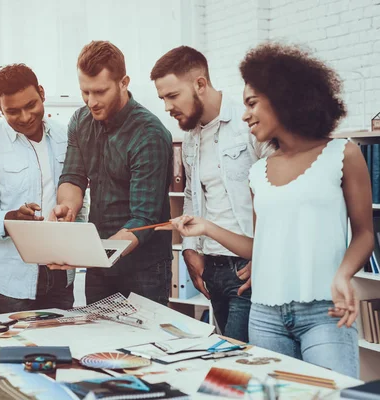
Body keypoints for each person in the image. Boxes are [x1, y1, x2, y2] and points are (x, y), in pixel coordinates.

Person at [159, 42, 372, 378]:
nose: (245, 114)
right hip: (265, 315)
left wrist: (344, 274)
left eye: (253, 103)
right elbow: (259, 245)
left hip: (323, 313)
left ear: (284, 98)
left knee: (331, 392)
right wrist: (204, 229)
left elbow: (364, 234)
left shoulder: (342, 154)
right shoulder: (259, 172)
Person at [150, 46, 273, 342]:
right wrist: (191, 249)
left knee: (232, 367)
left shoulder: (249, 123)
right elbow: (193, 196)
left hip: (248, 268)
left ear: (200, 84)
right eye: (162, 98)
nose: (167, 107)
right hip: (212, 269)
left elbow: (273, 196)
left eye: (172, 96)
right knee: (228, 363)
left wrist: (267, 257)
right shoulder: (191, 137)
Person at [50, 41, 173, 306]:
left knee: (145, 346)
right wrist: (66, 208)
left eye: (100, 92)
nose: (91, 102)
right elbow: (72, 177)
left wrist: (88, 254)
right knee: (98, 343)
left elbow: (143, 219)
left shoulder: (149, 134)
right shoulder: (80, 121)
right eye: (85, 92)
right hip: (100, 265)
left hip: (145, 269)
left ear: (123, 83)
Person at [0, 64, 80, 314]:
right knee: (14, 352)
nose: (25, 117)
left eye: (31, 105)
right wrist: (12, 219)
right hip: (10, 281)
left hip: (61, 274)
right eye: (13, 111)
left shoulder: (66, 137)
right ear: (0, 109)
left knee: (62, 350)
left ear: (42, 93)